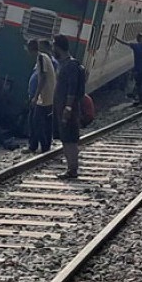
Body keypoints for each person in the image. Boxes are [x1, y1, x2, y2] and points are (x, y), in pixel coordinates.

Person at [52, 34, 83, 179]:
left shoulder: (71, 65)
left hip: (68, 108)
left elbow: (72, 87)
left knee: (69, 138)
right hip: (62, 107)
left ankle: (72, 169)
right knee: (66, 138)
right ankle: (71, 168)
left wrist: (68, 108)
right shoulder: (64, 64)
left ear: (58, 47)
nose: (52, 49)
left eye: (53, 46)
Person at [25, 39, 56, 154]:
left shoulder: (41, 58)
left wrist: (36, 96)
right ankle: (45, 146)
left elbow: (42, 78)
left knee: (37, 121)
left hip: (44, 97)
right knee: (45, 122)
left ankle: (42, 146)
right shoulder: (44, 57)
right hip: (47, 96)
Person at [115, 33, 142, 105]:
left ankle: (141, 100)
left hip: (139, 69)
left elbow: (124, 43)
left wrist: (116, 38)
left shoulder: (135, 46)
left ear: (137, 39)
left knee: (139, 85)